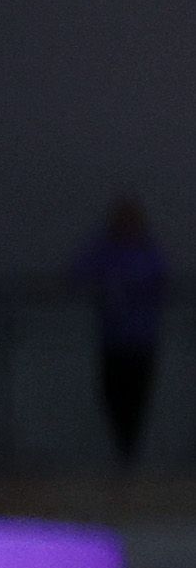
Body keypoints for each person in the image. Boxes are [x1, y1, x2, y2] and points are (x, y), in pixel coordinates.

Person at [74, 195, 165, 470]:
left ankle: (131, 457)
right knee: (112, 396)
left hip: (141, 341)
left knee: (137, 399)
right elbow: (76, 273)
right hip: (113, 341)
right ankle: (120, 455)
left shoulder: (149, 254)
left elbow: (162, 283)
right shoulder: (104, 252)